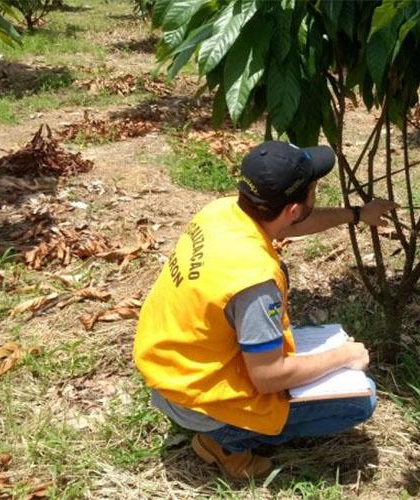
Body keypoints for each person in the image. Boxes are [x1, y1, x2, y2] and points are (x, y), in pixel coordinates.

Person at [133, 141, 397, 480]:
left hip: (170, 369)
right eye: (313, 190)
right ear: (291, 209)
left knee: (290, 346)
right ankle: (225, 441)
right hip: (194, 397)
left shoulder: (222, 211)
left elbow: (294, 224)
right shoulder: (254, 281)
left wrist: (358, 214)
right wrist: (343, 357)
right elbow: (268, 377)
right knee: (362, 400)